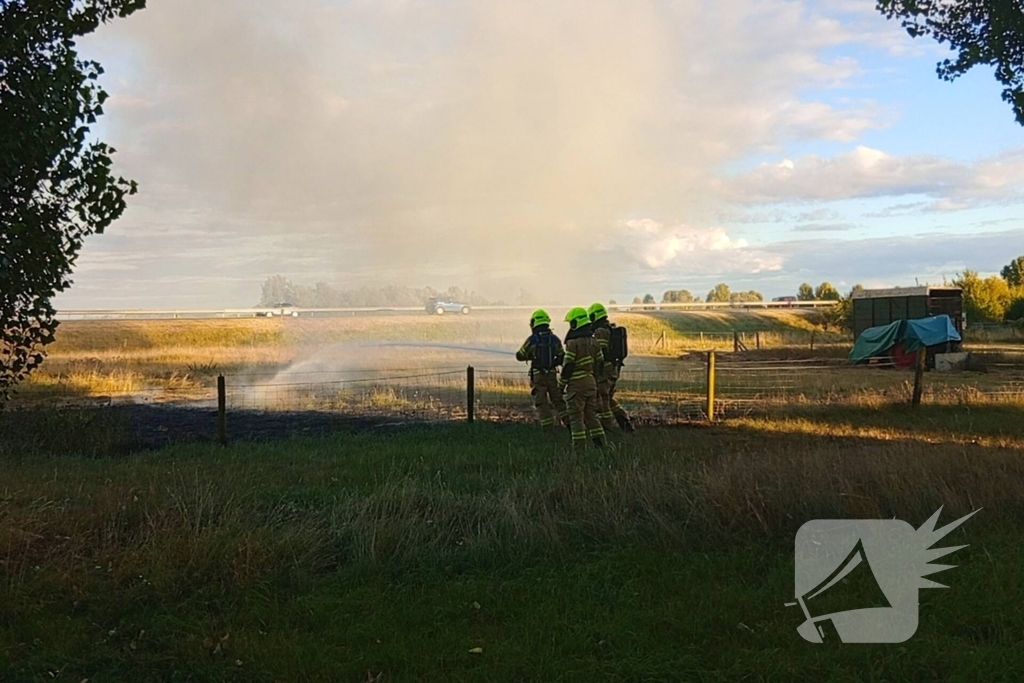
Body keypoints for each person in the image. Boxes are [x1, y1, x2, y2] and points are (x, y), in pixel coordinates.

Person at [559, 307, 606, 448]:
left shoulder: (573, 343)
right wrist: (594, 379)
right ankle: (601, 445)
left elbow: (568, 366)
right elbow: (601, 362)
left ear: (575, 323)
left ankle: (579, 450)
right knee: (591, 416)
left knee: (576, 418)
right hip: (591, 383)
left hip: (576, 385)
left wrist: (561, 385)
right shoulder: (594, 341)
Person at [515, 309, 568, 429]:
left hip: (538, 375)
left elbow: (520, 355)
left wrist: (530, 356)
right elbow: (561, 355)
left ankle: (547, 429)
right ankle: (570, 423)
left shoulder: (532, 339)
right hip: (552, 374)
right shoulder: (554, 339)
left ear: (534, 323)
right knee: (558, 400)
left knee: (541, 402)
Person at [588, 302, 635, 433]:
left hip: (605, 369)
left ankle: (607, 428)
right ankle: (625, 423)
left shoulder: (600, 331)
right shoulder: (609, 328)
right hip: (614, 367)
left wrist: (595, 370)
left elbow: (600, 353)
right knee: (608, 398)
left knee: (602, 399)